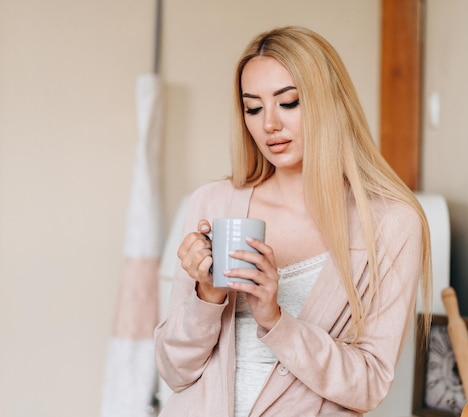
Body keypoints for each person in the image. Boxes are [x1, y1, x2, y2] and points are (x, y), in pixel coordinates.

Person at [154, 25, 432, 417]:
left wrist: (276, 318)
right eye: (253, 107)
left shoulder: (391, 225)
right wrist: (207, 295)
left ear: (329, 103)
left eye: (289, 102)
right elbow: (173, 371)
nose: (269, 124)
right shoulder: (213, 203)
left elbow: (368, 384)